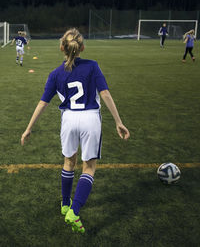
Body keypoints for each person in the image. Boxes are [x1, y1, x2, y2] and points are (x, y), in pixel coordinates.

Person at [21, 28, 130, 233]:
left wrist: (28, 128)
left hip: (68, 120)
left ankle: (64, 204)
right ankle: (74, 210)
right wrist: (118, 121)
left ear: (62, 47)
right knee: (88, 167)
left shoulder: (55, 74)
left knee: (69, 162)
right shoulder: (92, 66)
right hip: (90, 119)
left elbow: (42, 103)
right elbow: (104, 93)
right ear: (82, 48)